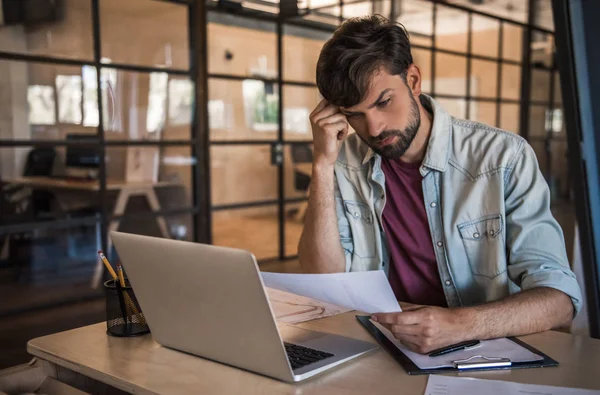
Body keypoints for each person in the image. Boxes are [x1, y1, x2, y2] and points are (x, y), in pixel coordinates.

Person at [297, 15, 582, 354]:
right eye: (354, 114)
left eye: (384, 102)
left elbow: (560, 300)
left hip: (480, 351)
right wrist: (322, 163)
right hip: (378, 346)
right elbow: (324, 281)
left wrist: (459, 325)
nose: (373, 128)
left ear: (413, 79)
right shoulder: (343, 164)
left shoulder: (503, 158)